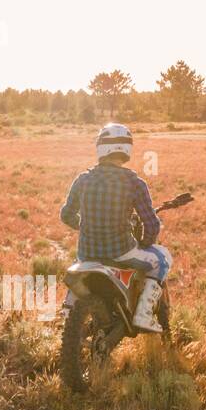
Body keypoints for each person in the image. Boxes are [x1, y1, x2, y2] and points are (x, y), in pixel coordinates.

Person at [59, 122, 172, 333]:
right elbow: (152, 224)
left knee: (76, 272)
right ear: (127, 148)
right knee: (163, 259)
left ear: (100, 147)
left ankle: (66, 313)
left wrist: (85, 226)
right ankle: (143, 315)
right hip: (121, 253)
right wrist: (145, 243)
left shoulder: (83, 179)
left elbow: (66, 215)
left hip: (87, 254)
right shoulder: (134, 183)